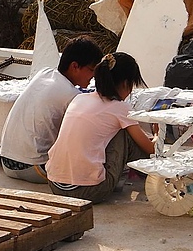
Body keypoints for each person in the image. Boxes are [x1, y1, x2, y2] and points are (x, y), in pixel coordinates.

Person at [46, 52, 156, 203]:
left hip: (55, 184)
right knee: (124, 134)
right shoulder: (120, 108)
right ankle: (152, 174)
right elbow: (150, 149)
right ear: (125, 83)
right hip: (89, 191)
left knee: (111, 131)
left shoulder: (79, 99)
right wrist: (157, 135)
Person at [0, 36, 103, 184]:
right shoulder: (71, 96)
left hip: (6, 162)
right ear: (75, 66)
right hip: (32, 167)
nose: (93, 77)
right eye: (91, 70)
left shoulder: (44, 73)